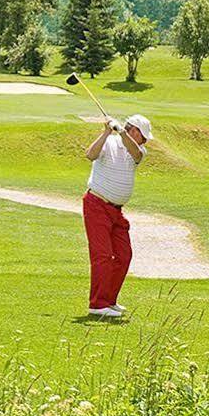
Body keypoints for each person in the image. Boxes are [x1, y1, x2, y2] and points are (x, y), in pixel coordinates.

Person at [81, 112, 151, 319]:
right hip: (96, 205)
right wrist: (105, 132)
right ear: (135, 131)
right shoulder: (108, 142)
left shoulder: (137, 150)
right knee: (102, 255)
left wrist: (120, 131)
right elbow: (90, 155)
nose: (146, 141)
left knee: (123, 255)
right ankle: (97, 303)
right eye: (144, 135)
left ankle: (109, 300)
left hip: (116, 211)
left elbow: (136, 153)